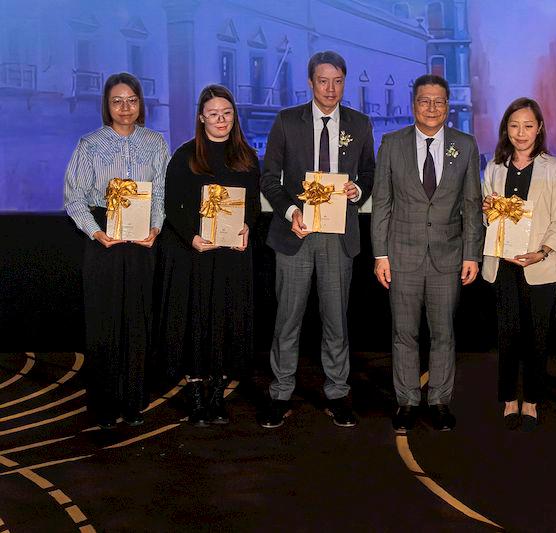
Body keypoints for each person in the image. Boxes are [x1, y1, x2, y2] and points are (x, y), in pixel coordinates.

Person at [260, 51, 375, 429]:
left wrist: (359, 190)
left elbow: (370, 172)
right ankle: (279, 393)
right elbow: (269, 180)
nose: (330, 88)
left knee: (336, 319)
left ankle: (338, 393)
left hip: (339, 235)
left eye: (338, 81)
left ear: (345, 82)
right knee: (287, 319)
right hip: (296, 233)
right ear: (310, 82)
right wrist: (292, 212)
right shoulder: (286, 121)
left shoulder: (359, 124)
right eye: (323, 81)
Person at [371, 74, 484, 432]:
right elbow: (382, 204)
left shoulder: (464, 145)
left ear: (448, 107)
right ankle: (406, 400)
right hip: (401, 255)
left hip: (448, 257)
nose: (431, 108)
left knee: (443, 333)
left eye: (438, 102)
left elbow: (472, 202)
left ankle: (439, 400)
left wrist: (472, 254)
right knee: (404, 334)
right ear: (413, 104)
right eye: (424, 101)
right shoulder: (391, 143)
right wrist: (380, 255)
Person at [63, 72, 168, 429]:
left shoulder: (155, 143)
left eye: (132, 101)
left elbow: (161, 192)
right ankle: (104, 406)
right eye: (117, 101)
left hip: (142, 242)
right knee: (104, 325)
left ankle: (134, 402)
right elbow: (73, 197)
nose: (125, 108)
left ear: (141, 104)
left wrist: (156, 228)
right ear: (107, 106)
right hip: (104, 241)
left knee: (137, 322)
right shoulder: (89, 144)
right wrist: (96, 233)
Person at [157, 84, 260, 427]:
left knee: (226, 322)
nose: (221, 120)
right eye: (213, 114)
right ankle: (197, 393)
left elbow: (253, 206)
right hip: (197, 254)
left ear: (234, 116)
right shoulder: (185, 155)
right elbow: (172, 206)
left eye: (227, 113)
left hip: (232, 254)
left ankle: (218, 393)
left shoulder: (247, 156)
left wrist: (247, 226)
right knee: (198, 322)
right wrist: (193, 237)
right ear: (201, 118)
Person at [481, 98, 556, 431]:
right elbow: (487, 217)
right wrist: (486, 206)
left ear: (540, 128)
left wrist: (543, 251)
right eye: (515, 125)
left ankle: (531, 400)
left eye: (528, 125)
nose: (521, 133)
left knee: (537, 336)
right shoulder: (493, 167)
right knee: (507, 336)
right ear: (506, 128)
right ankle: (508, 398)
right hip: (503, 264)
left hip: (539, 266)